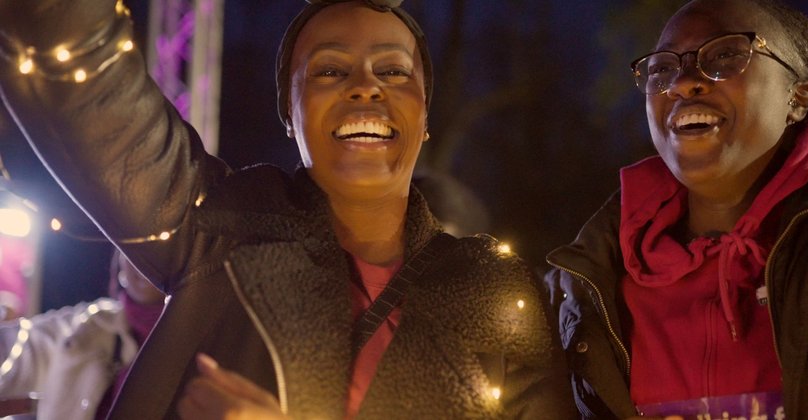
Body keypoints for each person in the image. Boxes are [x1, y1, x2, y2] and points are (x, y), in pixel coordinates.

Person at [0, 0, 574, 418]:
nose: (365, 86)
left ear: (425, 117)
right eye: (329, 69)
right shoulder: (215, 225)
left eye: (394, 70)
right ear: (290, 112)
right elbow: (74, 55)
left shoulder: (498, 292)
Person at [543, 0, 808, 418]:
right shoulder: (583, 289)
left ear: (798, 100)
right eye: (662, 68)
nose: (683, 83)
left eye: (726, 55)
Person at [0, 250, 164, 420]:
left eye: (161, 248)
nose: (144, 258)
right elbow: (20, 348)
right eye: (132, 246)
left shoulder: (191, 351)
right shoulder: (88, 326)